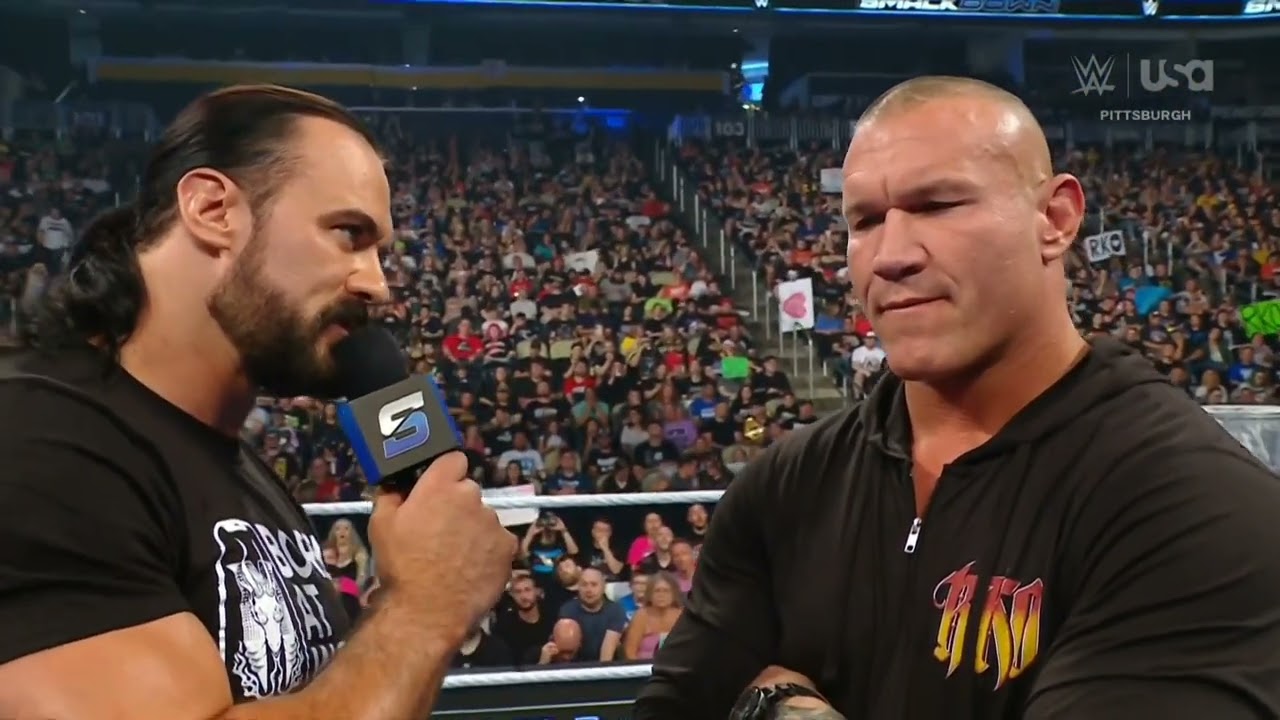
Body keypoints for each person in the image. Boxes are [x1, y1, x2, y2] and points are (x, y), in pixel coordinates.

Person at [634, 76, 1280, 720]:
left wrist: (778, 708)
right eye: (865, 220)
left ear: (1054, 220)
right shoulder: (786, 485)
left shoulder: (1194, 505)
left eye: (938, 205)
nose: (890, 256)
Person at [0, 84, 516, 720]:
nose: (377, 284)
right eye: (348, 234)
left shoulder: (234, 464)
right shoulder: (36, 444)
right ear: (212, 209)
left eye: (378, 250)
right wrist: (424, 608)